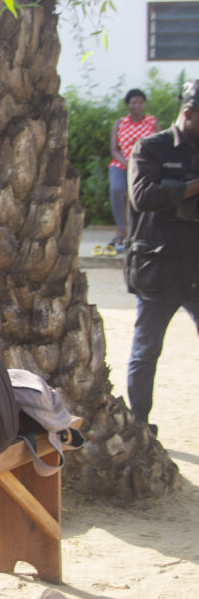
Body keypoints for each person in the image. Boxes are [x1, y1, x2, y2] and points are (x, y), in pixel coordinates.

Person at [125, 79, 199, 438]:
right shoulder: (150, 147)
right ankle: (140, 427)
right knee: (146, 351)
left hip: (196, 269)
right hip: (160, 267)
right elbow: (141, 196)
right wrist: (190, 187)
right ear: (188, 113)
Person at [105, 88, 159, 255]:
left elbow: (160, 145)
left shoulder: (152, 122)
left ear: (144, 104)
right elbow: (114, 150)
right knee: (117, 189)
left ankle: (142, 231)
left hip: (145, 166)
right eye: (133, 102)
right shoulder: (120, 123)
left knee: (146, 193)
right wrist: (127, 163)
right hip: (121, 165)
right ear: (128, 104)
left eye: (140, 102)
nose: (137, 105)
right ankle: (121, 229)